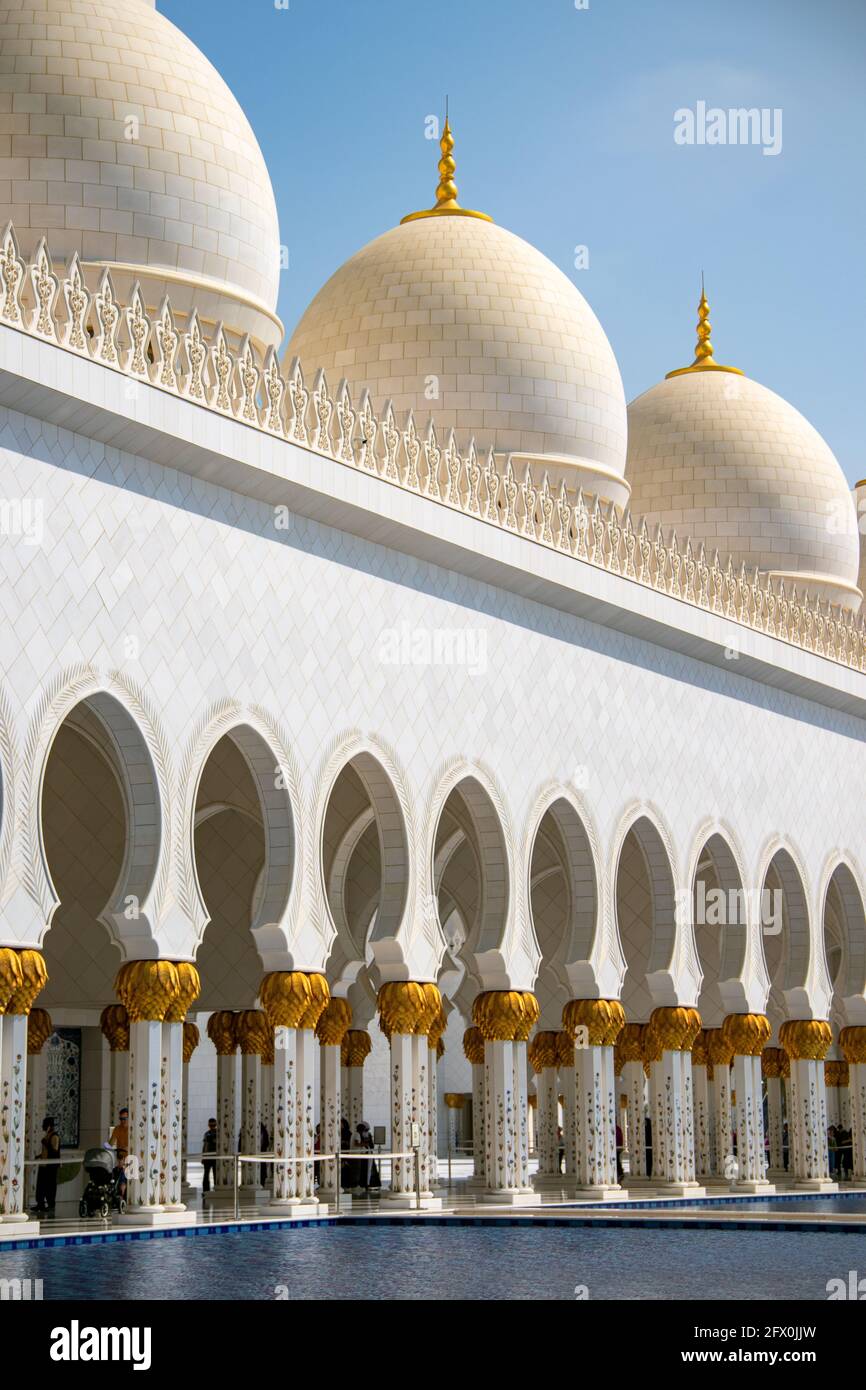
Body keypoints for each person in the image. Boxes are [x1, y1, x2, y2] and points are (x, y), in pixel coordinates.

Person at [33, 1116, 61, 1213]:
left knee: (50, 1186)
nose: (42, 1126)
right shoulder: (47, 1136)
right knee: (40, 1186)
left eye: (44, 1125)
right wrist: (39, 1156)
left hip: (50, 1167)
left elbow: (54, 1151)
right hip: (43, 1165)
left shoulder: (54, 1137)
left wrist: (45, 1143)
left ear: (48, 1126)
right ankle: (40, 1204)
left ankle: (50, 1204)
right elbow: (46, 1151)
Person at [108, 1106, 129, 1199]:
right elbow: (111, 1142)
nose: (122, 1121)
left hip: (130, 1158)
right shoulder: (117, 1129)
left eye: (124, 1119)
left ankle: (122, 1194)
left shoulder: (131, 1129)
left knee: (123, 1173)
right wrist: (106, 1146)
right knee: (114, 1172)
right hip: (120, 1157)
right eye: (121, 1119)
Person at [202, 1117, 218, 1194]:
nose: (212, 1126)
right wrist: (203, 1156)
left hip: (215, 1157)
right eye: (211, 1125)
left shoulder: (218, 1134)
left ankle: (216, 1188)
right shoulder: (206, 1134)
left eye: (213, 1125)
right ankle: (206, 1190)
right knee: (206, 1174)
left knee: (216, 1174)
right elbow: (205, 1145)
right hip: (207, 1157)